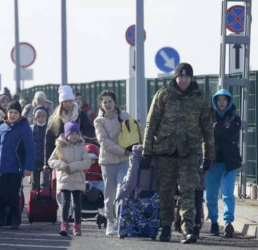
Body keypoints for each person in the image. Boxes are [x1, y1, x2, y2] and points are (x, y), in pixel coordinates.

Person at [142, 62, 215, 244]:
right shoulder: (163, 95)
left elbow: (207, 129)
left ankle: (187, 229)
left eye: (187, 77)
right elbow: (151, 124)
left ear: (191, 78)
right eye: (180, 77)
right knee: (166, 192)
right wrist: (146, 151)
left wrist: (208, 155)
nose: (183, 80)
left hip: (189, 152)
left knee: (188, 191)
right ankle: (166, 228)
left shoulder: (200, 98)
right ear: (175, 78)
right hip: (166, 151)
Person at [93, 90, 131, 236]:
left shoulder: (124, 116)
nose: (108, 104)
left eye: (110, 101)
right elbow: (104, 142)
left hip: (124, 161)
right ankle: (110, 222)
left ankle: (122, 221)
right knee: (109, 194)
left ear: (115, 102)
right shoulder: (99, 121)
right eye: (105, 102)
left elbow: (136, 130)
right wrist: (123, 150)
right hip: (108, 161)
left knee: (123, 189)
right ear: (101, 105)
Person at [205, 89, 241, 238]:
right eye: (218, 100)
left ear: (228, 102)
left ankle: (228, 223)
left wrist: (215, 130)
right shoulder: (208, 117)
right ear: (214, 102)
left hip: (229, 163)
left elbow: (229, 134)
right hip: (212, 162)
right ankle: (214, 222)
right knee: (211, 195)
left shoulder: (234, 117)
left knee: (227, 194)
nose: (221, 103)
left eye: (224, 100)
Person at [0, 101, 35, 230]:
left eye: (15, 113)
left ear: (20, 114)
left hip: (16, 167)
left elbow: (30, 149)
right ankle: (2, 216)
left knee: (13, 194)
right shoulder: (2, 127)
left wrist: (29, 167)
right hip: (2, 166)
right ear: (7, 113)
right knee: (1, 193)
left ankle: (15, 219)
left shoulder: (24, 128)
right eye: (10, 112)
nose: (12, 115)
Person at [48, 121, 90, 236]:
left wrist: (73, 166)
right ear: (66, 135)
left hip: (77, 179)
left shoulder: (82, 147)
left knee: (77, 204)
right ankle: (64, 224)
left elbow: (87, 162)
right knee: (66, 203)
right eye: (71, 133)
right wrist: (62, 165)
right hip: (64, 179)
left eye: (76, 133)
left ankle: (77, 226)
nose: (74, 136)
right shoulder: (60, 147)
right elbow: (51, 161)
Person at [31, 105, 50, 189]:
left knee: (46, 181)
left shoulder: (49, 128)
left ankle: (46, 197)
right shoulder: (32, 129)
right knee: (35, 180)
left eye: (43, 116)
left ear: (47, 117)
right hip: (35, 158)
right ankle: (34, 196)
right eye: (38, 116)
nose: (41, 118)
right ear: (35, 118)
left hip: (46, 159)